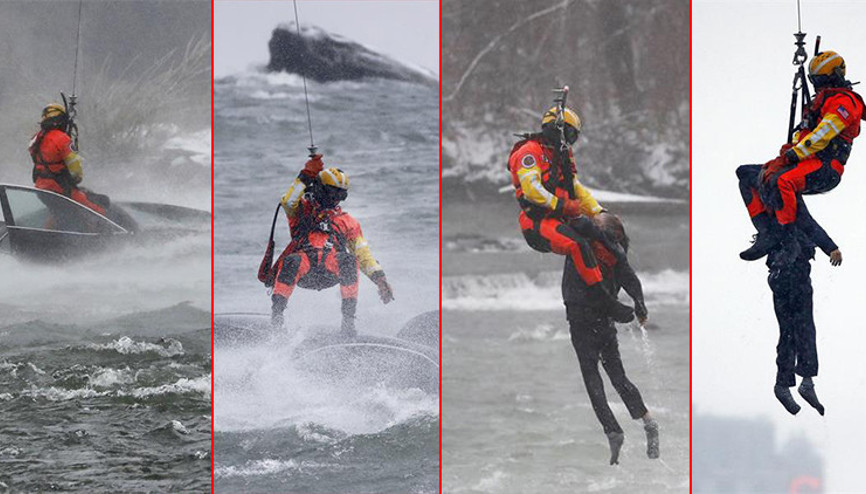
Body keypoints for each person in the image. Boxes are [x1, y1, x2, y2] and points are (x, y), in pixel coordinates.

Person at [508, 104, 634, 322]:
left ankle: (611, 289)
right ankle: (604, 301)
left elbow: (575, 187)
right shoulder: (529, 152)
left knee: (604, 238)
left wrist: (599, 212)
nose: (571, 140)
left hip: (558, 218)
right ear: (557, 130)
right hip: (536, 222)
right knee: (578, 244)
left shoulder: (562, 155)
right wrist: (561, 205)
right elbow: (531, 189)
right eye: (570, 134)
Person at [739, 50, 863, 260]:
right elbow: (804, 136)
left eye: (822, 81)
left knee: (782, 182)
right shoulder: (818, 104)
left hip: (826, 167)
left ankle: (783, 231)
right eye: (815, 82)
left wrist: (795, 154)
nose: (818, 87)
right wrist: (787, 153)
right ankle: (766, 232)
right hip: (807, 161)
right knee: (748, 175)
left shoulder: (845, 102)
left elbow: (824, 133)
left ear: (834, 76)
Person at [561, 212, 658, 465]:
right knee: (618, 377)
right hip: (604, 324)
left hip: (583, 324)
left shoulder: (581, 247)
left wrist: (623, 310)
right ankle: (648, 421)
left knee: (592, 378)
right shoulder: (616, 251)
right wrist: (639, 306)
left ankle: (612, 431)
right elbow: (630, 280)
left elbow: (595, 294)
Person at [269, 154, 394, 336]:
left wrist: (380, 279)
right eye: (331, 193)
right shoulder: (301, 211)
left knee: (349, 261)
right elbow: (288, 200)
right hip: (304, 268)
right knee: (291, 261)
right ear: (320, 189)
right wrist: (306, 174)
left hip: (330, 271)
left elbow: (363, 254)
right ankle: (277, 320)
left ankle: (348, 324)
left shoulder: (348, 222)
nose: (334, 199)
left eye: (339, 195)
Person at [765, 202, 838, 416]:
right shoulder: (785, 202)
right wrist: (831, 247)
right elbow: (811, 226)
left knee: (789, 331)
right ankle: (804, 381)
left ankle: (784, 382)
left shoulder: (774, 204)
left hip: (782, 274)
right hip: (791, 273)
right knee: (803, 328)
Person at [29, 103, 109, 215]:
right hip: (59, 189)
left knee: (57, 214)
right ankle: (105, 230)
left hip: (42, 190)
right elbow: (75, 166)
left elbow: (39, 156)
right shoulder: (62, 139)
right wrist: (76, 179)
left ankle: (49, 230)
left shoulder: (37, 138)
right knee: (94, 209)